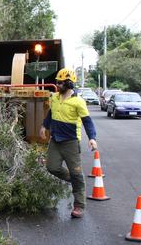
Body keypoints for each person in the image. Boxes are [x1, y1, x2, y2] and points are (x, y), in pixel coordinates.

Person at [40, 67, 97, 219]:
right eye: (57, 82)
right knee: (52, 167)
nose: (57, 85)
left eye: (60, 83)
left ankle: (79, 205)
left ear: (69, 84)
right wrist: (44, 126)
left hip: (71, 142)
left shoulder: (78, 102)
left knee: (77, 173)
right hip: (55, 140)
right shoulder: (54, 98)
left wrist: (92, 138)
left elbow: (87, 121)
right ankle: (75, 180)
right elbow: (51, 113)